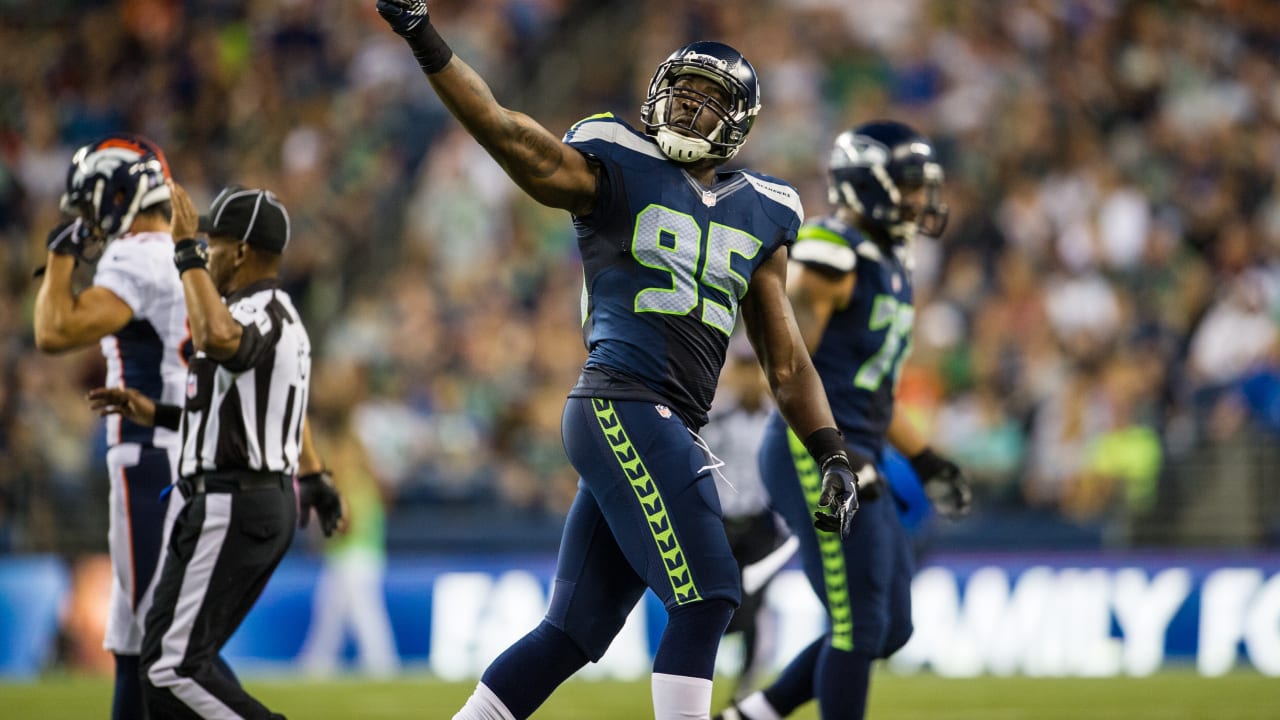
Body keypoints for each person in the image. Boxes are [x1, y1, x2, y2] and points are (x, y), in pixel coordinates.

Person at [375, 2, 863, 718]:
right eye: (683, 90)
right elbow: (509, 135)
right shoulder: (614, 162)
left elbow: (785, 361)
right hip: (624, 400)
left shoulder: (765, 208)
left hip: (656, 419)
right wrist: (423, 34)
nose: (689, 107)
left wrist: (831, 452)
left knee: (572, 633)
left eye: (709, 99)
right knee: (711, 594)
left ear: (740, 121)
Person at [718, 122, 974, 720]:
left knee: (890, 627)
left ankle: (752, 714)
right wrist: (836, 451)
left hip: (861, 447)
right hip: (818, 451)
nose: (917, 200)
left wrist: (926, 458)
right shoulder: (831, 256)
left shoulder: (888, 261)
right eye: (907, 185)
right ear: (867, 185)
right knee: (858, 623)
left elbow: (873, 391)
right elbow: (786, 367)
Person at [87, 183, 343, 719]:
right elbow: (239, 416)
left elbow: (224, 342)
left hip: (235, 501)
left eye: (214, 242)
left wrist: (183, 253)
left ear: (243, 251)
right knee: (163, 663)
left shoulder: (261, 311)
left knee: (169, 668)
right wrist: (154, 413)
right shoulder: (269, 312)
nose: (206, 251)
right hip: (237, 497)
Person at [32, 133, 189, 720]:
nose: (91, 216)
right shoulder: (175, 251)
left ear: (121, 193)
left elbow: (53, 331)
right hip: (172, 452)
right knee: (133, 638)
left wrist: (60, 254)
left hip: (150, 457)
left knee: (156, 639)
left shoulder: (138, 254)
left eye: (95, 200)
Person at [699, 340, 797, 701]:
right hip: (721, 522)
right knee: (719, 607)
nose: (746, 377)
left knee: (753, 606)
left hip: (761, 524)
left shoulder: (777, 418)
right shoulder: (712, 413)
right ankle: (698, 680)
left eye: (752, 367)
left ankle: (743, 688)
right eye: (740, 368)